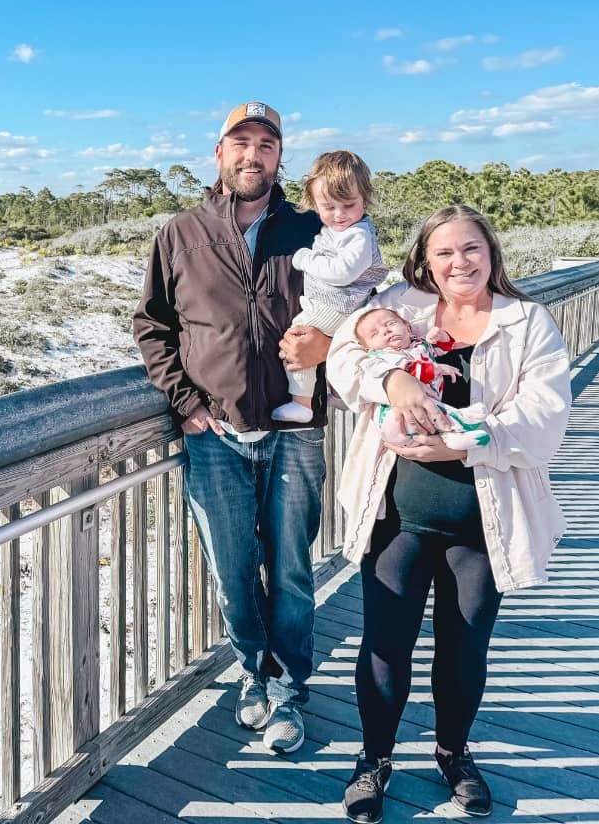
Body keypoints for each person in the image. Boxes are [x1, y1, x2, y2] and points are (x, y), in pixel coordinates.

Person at [326, 205, 571, 822]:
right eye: (444, 253)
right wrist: (395, 383)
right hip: (398, 517)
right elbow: (342, 358)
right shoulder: (399, 307)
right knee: (385, 645)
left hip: (482, 523)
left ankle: (453, 753)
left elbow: (544, 419)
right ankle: (374, 759)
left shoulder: (528, 322)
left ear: (491, 252)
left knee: (464, 649)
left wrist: (465, 439)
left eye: (470, 249)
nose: (459, 262)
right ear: (425, 262)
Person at [133, 101, 331, 754]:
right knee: (234, 571)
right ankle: (253, 674)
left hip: (294, 431)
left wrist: (333, 345)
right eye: (239, 142)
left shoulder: (313, 228)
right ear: (218, 154)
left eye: (266, 145)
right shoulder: (180, 233)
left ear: (280, 157)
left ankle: (287, 693)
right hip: (214, 433)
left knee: (293, 573)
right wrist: (184, 401)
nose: (253, 154)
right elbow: (153, 325)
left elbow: (358, 306)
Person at [271, 151, 388, 424]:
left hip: (339, 304)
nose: (339, 215)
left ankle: (301, 402)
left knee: (299, 338)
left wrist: (305, 259)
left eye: (348, 205)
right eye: (329, 207)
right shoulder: (343, 231)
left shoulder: (358, 235)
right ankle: (328, 390)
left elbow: (342, 273)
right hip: (335, 302)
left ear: (364, 198)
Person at [354, 307, 490, 450]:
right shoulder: (381, 356)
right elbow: (406, 369)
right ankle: (461, 420)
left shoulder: (419, 345)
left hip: (422, 419)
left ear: (407, 327)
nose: (385, 331)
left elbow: (443, 349)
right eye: (374, 334)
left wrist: (442, 337)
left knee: (432, 416)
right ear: (369, 348)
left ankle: (453, 439)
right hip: (394, 419)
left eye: (391, 324)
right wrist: (436, 369)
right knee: (432, 410)